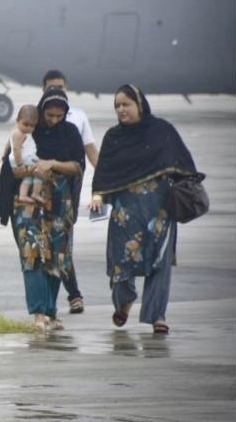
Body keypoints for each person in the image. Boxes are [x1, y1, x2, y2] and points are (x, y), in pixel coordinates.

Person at [91, 85, 200, 335]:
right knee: (121, 263)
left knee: (159, 263)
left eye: (125, 104)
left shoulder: (162, 131)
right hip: (124, 213)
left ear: (140, 105)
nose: (121, 109)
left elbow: (182, 164)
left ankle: (157, 316)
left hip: (159, 210)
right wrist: (97, 197)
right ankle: (124, 302)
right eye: (117, 105)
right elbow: (104, 174)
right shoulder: (113, 137)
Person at [0, 88, 84, 331]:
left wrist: (53, 164)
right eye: (49, 115)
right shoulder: (27, 131)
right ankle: (37, 313)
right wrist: (34, 170)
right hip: (26, 201)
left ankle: (51, 311)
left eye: (59, 116)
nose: (54, 120)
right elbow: (11, 166)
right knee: (32, 253)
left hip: (59, 202)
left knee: (57, 257)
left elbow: (77, 166)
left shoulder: (69, 132)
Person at [42, 69, 98, 314]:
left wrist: (108, 179)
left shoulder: (77, 117)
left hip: (70, 190)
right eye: (52, 86)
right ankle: (73, 295)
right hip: (41, 194)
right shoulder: (36, 118)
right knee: (54, 247)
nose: (57, 90)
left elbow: (89, 152)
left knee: (62, 245)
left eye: (61, 86)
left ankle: (67, 297)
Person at [6, 104, 44, 204]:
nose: (28, 128)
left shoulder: (15, 131)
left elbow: (10, 146)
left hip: (19, 159)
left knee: (28, 178)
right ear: (17, 120)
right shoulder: (19, 134)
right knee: (39, 172)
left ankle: (23, 195)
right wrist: (20, 164)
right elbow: (16, 149)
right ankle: (36, 193)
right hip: (21, 160)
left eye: (32, 126)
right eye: (25, 124)